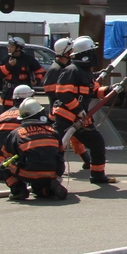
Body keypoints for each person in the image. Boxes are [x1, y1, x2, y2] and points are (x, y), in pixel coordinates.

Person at [52, 36, 121, 185]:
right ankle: (51, 176)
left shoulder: (86, 72)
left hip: (81, 119)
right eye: (92, 52)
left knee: (97, 143)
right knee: (58, 146)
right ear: (85, 54)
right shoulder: (71, 71)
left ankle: (97, 175)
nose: (94, 55)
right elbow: (63, 93)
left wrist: (110, 89)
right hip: (66, 117)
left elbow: (94, 92)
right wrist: (77, 109)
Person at [0, 93, 67, 201]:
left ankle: (19, 191)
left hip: (29, 173)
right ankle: (47, 188)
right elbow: (61, 152)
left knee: (4, 165)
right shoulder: (52, 131)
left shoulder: (16, 133)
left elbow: (7, 154)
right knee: (39, 187)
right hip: (53, 171)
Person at [43, 38, 92, 170]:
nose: (73, 53)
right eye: (71, 50)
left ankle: (87, 160)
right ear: (64, 52)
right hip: (60, 111)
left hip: (70, 109)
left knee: (74, 136)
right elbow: (50, 90)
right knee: (62, 139)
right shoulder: (56, 69)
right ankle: (56, 165)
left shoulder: (67, 67)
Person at [0, 37, 45, 110]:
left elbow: (41, 72)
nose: (9, 48)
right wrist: (9, 65)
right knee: (8, 114)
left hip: (24, 92)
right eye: (8, 46)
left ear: (18, 48)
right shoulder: (6, 60)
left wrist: (37, 80)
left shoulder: (28, 60)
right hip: (9, 93)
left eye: (11, 46)